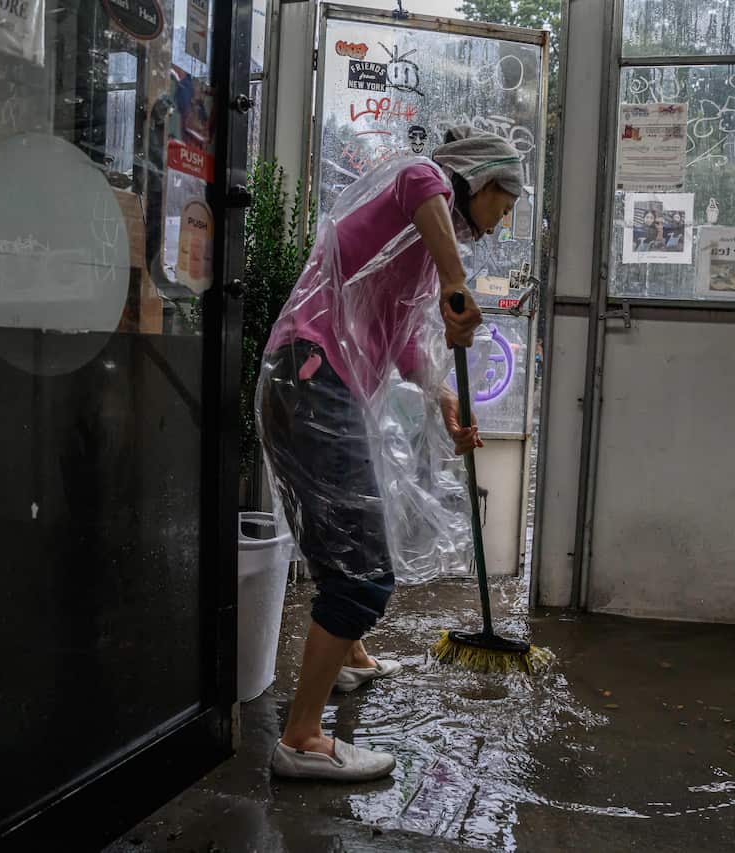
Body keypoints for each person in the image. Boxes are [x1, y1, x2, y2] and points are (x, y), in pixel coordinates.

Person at [258, 130, 522, 782]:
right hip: (313, 378)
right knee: (362, 567)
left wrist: (447, 406)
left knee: (337, 546)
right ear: (481, 183)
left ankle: (350, 656)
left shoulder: (420, 252)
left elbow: (404, 345)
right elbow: (418, 180)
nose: (507, 216)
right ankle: (302, 736)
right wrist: (458, 285)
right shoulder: (419, 184)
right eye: (506, 200)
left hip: (305, 378)